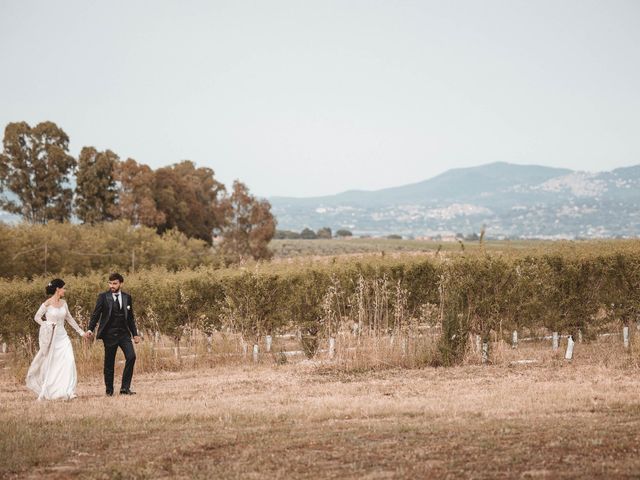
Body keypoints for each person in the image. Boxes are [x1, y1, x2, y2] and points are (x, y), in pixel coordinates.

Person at [26, 278, 87, 400]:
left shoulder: (64, 303)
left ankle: (69, 391)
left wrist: (81, 332)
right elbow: (37, 317)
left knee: (69, 361)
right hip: (52, 338)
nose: (65, 290)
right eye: (63, 288)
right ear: (58, 289)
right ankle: (52, 390)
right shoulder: (47, 303)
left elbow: (69, 319)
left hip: (63, 337)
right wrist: (46, 325)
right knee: (53, 364)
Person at [85, 273, 140, 396]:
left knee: (131, 357)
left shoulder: (127, 297)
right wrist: (90, 329)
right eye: (110, 283)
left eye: (115, 283)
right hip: (109, 335)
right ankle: (109, 391)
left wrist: (135, 334)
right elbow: (96, 315)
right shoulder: (103, 297)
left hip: (124, 334)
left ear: (121, 283)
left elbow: (130, 318)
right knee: (109, 363)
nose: (112, 286)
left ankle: (125, 388)